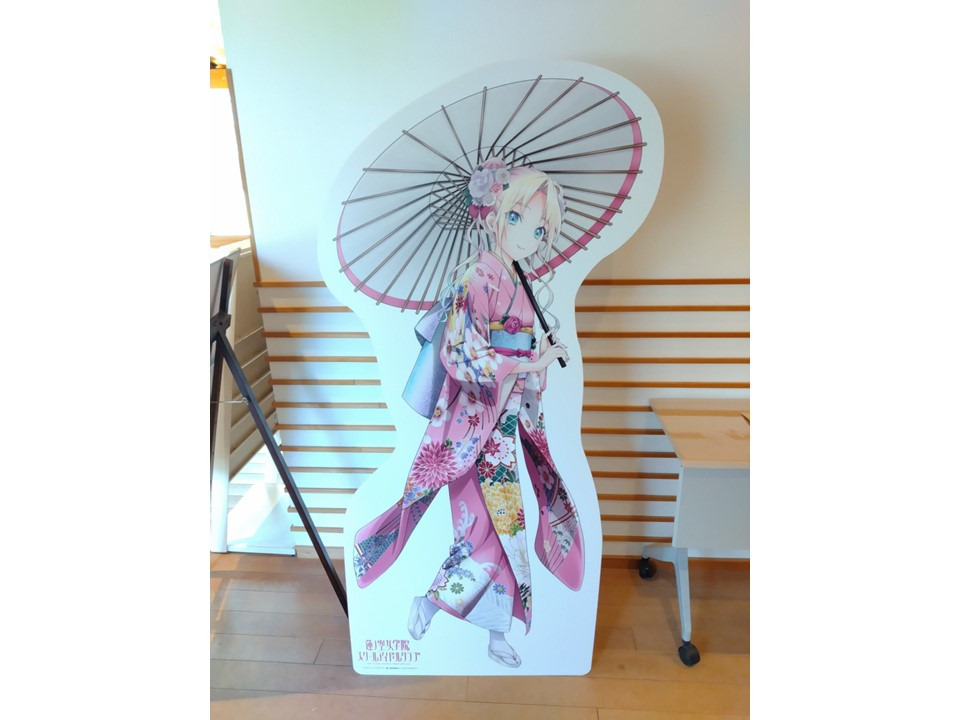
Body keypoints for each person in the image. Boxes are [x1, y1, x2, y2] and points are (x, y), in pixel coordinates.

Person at [352, 163, 584, 669]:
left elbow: (521, 360)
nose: (526, 236)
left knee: (506, 529)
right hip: (473, 427)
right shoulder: (476, 276)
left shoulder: (519, 282)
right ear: (493, 214)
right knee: (483, 531)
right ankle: (432, 603)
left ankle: (494, 632)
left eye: (539, 229)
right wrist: (529, 362)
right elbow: (460, 353)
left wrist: (538, 355)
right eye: (517, 218)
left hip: (503, 425)